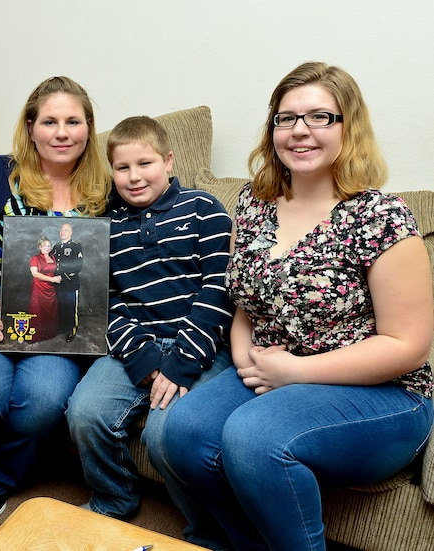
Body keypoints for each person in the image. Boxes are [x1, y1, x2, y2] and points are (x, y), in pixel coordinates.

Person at [162, 61, 434, 551]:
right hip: (273, 369)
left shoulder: (382, 217)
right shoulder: (255, 201)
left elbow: (408, 346)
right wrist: (243, 351)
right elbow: (245, 296)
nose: (299, 130)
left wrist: (296, 373)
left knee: (254, 437)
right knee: (182, 433)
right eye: (286, 118)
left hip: (384, 393)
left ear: (348, 128)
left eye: (320, 117)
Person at [0, 76, 111, 513]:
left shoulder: (106, 192)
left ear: (89, 128)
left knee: (44, 401)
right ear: (31, 127)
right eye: (50, 121)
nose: (62, 132)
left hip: (56, 324)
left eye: (73, 121)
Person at [66, 116, 234, 523]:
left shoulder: (204, 209)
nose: (134, 177)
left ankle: (205, 527)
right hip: (134, 344)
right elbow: (102, 299)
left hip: (201, 347)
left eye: (146, 164)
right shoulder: (105, 225)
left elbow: (221, 289)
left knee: (165, 437)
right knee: (84, 414)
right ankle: (114, 498)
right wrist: (138, 355)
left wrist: (180, 362)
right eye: (122, 168)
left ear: (169, 160)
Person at [52, 222, 83, 341]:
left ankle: (71, 330)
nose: (62, 232)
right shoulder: (56, 246)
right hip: (59, 282)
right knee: (61, 305)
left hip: (70, 281)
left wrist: (65, 274)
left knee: (71, 306)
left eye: (65, 230)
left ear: (71, 233)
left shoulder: (75, 246)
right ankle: (62, 327)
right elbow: (52, 263)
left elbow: (78, 264)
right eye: (61, 229)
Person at [28, 236, 61, 342]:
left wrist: (59, 277)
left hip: (51, 289)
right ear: (40, 247)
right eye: (45, 246)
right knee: (38, 311)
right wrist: (53, 280)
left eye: (49, 246)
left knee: (51, 311)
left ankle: (49, 334)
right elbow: (35, 274)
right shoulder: (35, 258)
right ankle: (37, 336)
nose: (47, 248)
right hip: (39, 288)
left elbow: (56, 270)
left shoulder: (53, 257)